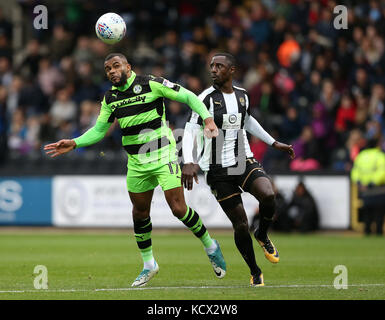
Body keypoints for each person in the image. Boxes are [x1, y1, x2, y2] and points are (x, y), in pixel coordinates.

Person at [44, 53, 226, 287]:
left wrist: (208, 119)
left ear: (128, 67)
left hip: (163, 155)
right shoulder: (110, 98)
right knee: (139, 213)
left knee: (178, 208)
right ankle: (149, 265)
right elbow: (100, 130)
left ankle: (210, 245)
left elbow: (189, 97)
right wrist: (75, 142)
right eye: (108, 68)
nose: (111, 71)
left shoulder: (152, 83)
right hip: (136, 163)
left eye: (116, 66)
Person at [182, 53, 295, 287]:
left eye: (219, 66)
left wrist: (274, 142)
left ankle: (262, 234)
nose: (213, 69)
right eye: (211, 65)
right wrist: (189, 160)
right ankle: (255, 271)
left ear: (231, 70)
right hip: (216, 170)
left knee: (269, 195)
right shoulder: (204, 99)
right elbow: (190, 130)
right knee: (241, 224)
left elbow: (248, 121)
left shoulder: (243, 96)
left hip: (243, 160)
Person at [351, 138, 385, 235]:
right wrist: (372, 182)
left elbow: (355, 172)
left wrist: (360, 182)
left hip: (364, 190)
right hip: (379, 189)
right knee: (378, 214)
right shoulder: (380, 156)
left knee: (367, 213)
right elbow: (383, 172)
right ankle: (378, 232)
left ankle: (367, 232)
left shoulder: (361, 156)